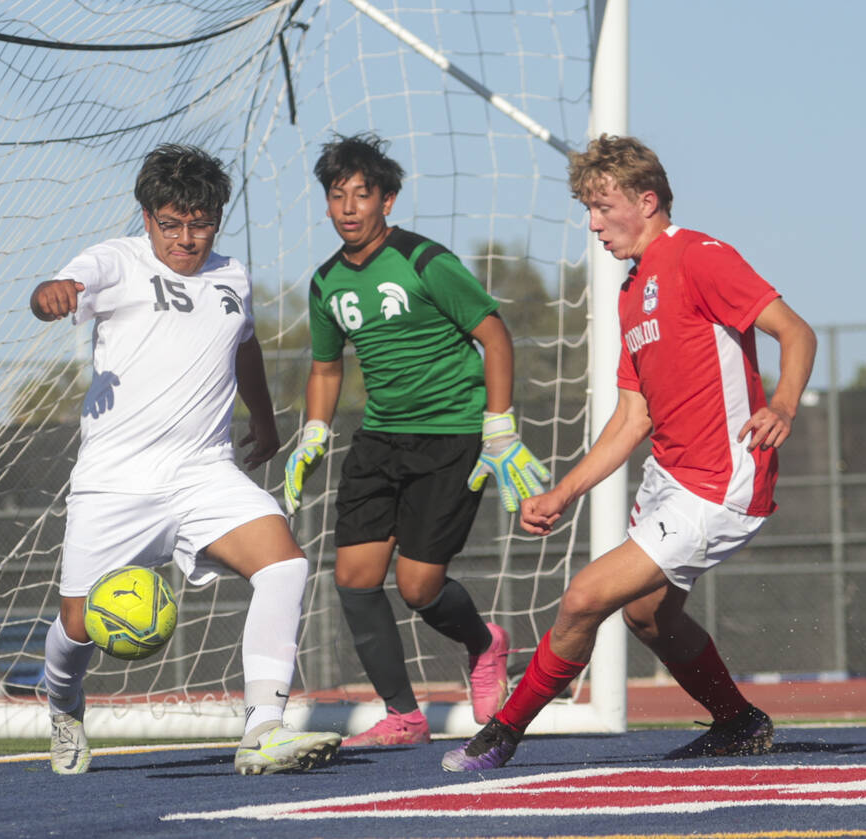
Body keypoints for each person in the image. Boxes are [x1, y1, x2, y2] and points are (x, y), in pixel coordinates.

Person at [442, 134, 818, 772]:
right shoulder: (630, 290)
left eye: (601, 207)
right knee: (647, 616)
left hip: (721, 481)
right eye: (586, 209)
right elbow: (631, 417)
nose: (592, 224)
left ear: (647, 201)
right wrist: (563, 492)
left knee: (585, 597)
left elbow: (795, 331)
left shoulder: (700, 256)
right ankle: (739, 722)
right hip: (672, 477)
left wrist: (781, 404)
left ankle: (502, 734)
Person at [29, 143, 341, 776]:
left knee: (283, 566)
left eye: (200, 224)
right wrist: (54, 292)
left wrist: (261, 414)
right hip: (115, 482)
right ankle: (64, 710)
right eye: (171, 224)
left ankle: (263, 730)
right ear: (147, 218)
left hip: (203, 471)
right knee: (78, 627)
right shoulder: (115, 260)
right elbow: (57, 290)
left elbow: (244, 344)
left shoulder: (231, 276)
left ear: (216, 221)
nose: (186, 238)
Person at [283, 132, 549, 746]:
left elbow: (496, 337)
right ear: (326, 205)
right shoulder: (325, 284)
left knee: (418, 587)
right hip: (378, 441)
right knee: (352, 578)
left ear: (388, 201)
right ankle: (403, 715)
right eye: (337, 195)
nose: (349, 207)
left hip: (451, 438)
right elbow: (327, 368)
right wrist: (315, 431)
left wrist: (499, 425)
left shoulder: (427, 261)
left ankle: (485, 645)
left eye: (362, 194)